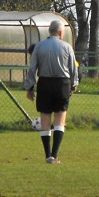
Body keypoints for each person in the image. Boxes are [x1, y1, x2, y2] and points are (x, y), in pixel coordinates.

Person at [24, 19, 79, 164]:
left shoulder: (39, 47)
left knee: (45, 120)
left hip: (44, 84)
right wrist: (74, 85)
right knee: (60, 120)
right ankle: (55, 155)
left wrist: (29, 87)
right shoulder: (67, 47)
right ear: (61, 32)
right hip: (62, 84)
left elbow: (32, 68)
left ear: (49, 31)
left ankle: (48, 155)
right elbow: (73, 69)